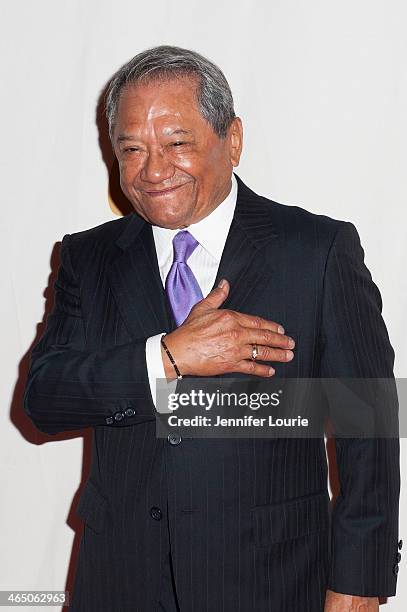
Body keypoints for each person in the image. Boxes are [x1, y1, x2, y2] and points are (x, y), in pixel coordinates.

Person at [23, 45, 400, 612]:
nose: (152, 171)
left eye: (176, 144)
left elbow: (365, 424)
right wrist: (166, 358)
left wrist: (359, 583)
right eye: (132, 149)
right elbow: (45, 400)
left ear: (234, 140)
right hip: (121, 582)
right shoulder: (87, 258)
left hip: (273, 580)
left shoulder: (316, 251)